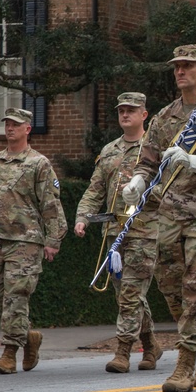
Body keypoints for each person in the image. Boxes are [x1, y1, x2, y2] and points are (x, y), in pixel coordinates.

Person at [123, 44, 196, 392]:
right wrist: (137, 182)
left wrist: (193, 162)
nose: (180, 71)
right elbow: (148, 160)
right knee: (171, 287)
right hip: (170, 213)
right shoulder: (165, 117)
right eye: (177, 66)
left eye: (188, 66)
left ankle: (185, 363)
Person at [0, 107, 67, 375]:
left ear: (27, 129)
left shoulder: (38, 163)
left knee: (16, 295)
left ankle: (9, 353)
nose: (10, 128)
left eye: (16, 125)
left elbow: (51, 204)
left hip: (26, 241)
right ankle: (28, 336)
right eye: (7, 123)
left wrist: (54, 239)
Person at [74, 92, 161, 373]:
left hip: (144, 230)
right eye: (121, 110)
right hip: (114, 232)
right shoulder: (110, 150)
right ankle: (150, 345)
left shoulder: (155, 148)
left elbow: (169, 190)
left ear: (144, 115)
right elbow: (95, 189)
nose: (125, 114)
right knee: (125, 292)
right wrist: (82, 218)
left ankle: (123, 351)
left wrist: (148, 192)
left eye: (131, 110)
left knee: (131, 293)